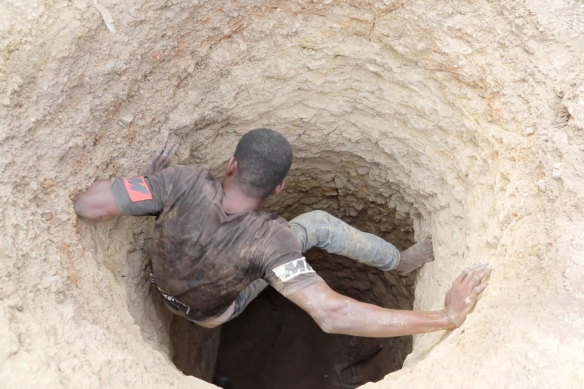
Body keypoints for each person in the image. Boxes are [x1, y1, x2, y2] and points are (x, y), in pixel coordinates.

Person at [74, 128, 490, 336]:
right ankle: (398, 263)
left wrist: (147, 188)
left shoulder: (179, 182)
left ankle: (398, 263)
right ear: (279, 189)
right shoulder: (273, 240)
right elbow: (331, 313)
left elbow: (88, 205)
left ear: (232, 164)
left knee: (261, 254)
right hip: (214, 313)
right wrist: (447, 316)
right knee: (316, 225)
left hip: (165, 288)